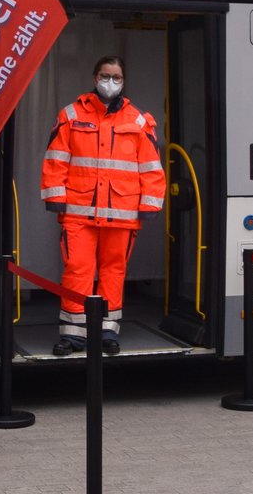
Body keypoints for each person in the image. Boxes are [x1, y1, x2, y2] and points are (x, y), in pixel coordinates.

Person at [39, 55, 166, 355]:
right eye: (106, 75)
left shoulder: (138, 121)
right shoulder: (70, 115)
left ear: (124, 81)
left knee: (113, 272)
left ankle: (107, 332)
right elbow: (55, 160)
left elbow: (151, 167)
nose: (111, 82)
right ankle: (73, 335)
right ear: (95, 77)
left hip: (122, 215)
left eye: (116, 77)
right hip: (78, 213)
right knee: (77, 270)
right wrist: (55, 198)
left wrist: (150, 204)